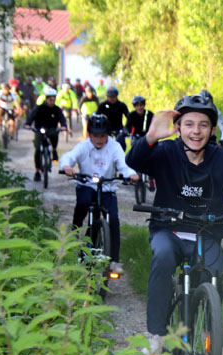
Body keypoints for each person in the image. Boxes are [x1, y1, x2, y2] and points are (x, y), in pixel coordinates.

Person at [126, 92, 223, 355]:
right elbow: (133, 161)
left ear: (212, 129)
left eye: (203, 125)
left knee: (214, 276)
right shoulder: (167, 151)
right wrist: (150, 138)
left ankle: (211, 340)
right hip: (168, 230)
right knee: (162, 257)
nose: (196, 131)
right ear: (178, 127)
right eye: (190, 124)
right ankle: (157, 334)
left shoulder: (222, 159)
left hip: (206, 233)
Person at [60, 113, 138, 275]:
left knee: (114, 220)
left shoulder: (114, 146)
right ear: (89, 134)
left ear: (108, 135)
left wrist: (130, 174)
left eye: (103, 135)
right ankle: (74, 231)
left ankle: (114, 261)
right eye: (95, 135)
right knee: (83, 203)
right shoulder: (84, 146)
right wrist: (67, 166)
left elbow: (123, 164)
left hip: (107, 187)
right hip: (86, 184)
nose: (99, 139)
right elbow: (69, 156)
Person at [24, 87, 67, 181]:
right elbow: (31, 117)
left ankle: (54, 150)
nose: (52, 102)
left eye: (54, 100)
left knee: (55, 134)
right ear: (46, 99)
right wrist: (27, 124)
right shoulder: (39, 108)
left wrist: (63, 126)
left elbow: (62, 118)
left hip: (51, 129)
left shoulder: (56, 109)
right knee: (37, 149)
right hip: (39, 130)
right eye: (50, 100)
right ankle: (37, 171)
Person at [126, 95, 156, 190]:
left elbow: (155, 126)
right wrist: (127, 132)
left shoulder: (150, 114)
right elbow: (127, 127)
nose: (139, 107)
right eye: (137, 105)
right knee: (134, 153)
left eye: (141, 104)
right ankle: (136, 172)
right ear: (134, 106)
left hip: (148, 138)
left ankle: (151, 178)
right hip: (136, 138)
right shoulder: (131, 115)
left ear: (144, 105)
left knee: (152, 155)